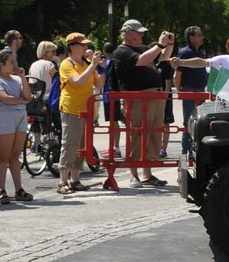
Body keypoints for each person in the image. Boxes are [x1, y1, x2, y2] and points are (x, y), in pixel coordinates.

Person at [112, 19, 173, 187]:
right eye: (139, 32)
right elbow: (143, 60)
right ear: (128, 33)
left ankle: (148, 174)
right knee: (137, 134)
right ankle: (134, 175)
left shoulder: (143, 47)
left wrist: (169, 44)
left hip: (154, 96)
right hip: (138, 99)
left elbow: (163, 58)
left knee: (153, 133)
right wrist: (159, 45)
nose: (142, 34)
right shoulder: (121, 51)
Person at [56, 33, 103, 194]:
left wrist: (100, 67)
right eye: (82, 45)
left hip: (86, 110)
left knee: (83, 145)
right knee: (70, 144)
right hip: (71, 109)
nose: (85, 47)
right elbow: (78, 81)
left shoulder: (87, 62)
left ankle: (75, 179)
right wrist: (93, 66)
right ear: (72, 47)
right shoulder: (66, 64)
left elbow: (99, 83)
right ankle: (62, 181)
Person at [0, 48, 33, 203]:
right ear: (1, 63)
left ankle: (19, 189)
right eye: (11, 62)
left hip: (20, 116)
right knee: (4, 156)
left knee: (15, 155)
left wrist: (23, 78)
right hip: (4, 116)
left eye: (15, 62)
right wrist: (22, 100)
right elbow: (6, 99)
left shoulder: (17, 79)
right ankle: (1, 189)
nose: (14, 65)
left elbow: (28, 95)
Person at [175, 26, 206, 154]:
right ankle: (185, 152)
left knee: (199, 121)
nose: (202, 37)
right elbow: (177, 75)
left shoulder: (200, 52)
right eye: (199, 35)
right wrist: (180, 91)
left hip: (200, 91)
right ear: (191, 37)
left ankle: (196, 151)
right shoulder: (184, 52)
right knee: (188, 121)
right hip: (189, 90)